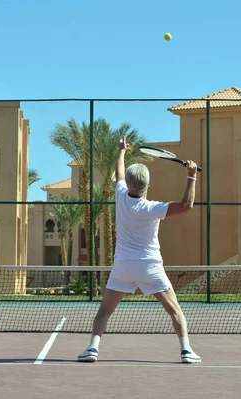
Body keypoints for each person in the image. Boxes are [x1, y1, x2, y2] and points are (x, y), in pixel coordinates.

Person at [77, 136, 201, 364]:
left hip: (123, 265)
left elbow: (119, 173)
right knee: (175, 310)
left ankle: (92, 349)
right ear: (147, 186)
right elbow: (186, 205)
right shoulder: (152, 208)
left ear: (130, 184)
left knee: (104, 311)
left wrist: (121, 151)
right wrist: (191, 176)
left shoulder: (120, 195)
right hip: (149, 266)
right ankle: (186, 351)